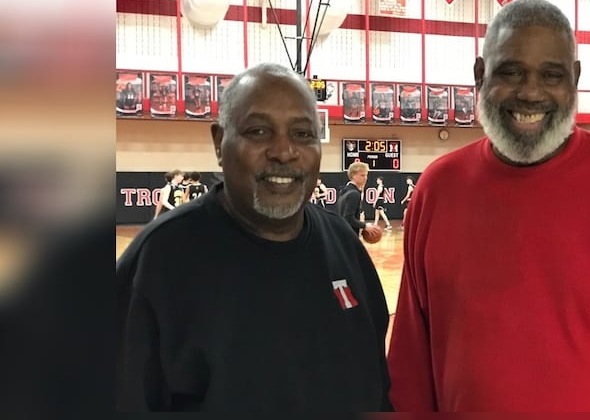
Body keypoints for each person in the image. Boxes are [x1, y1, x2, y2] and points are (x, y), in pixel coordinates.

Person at [386, 0, 590, 412]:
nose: (530, 92)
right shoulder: (439, 189)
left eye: (551, 74)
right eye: (511, 71)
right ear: (480, 75)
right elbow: (411, 366)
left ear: (574, 79)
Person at [117, 62, 392, 412]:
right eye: (259, 131)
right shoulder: (157, 262)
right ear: (219, 142)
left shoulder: (344, 246)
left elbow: (378, 387)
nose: (283, 151)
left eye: (303, 134)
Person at [336, 162, 382, 241]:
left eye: (366, 175)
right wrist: (365, 226)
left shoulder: (343, 191)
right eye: (362, 175)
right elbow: (348, 218)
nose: (366, 178)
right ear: (353, 175)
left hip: (340, 235)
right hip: (349, 237)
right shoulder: (354, 194)